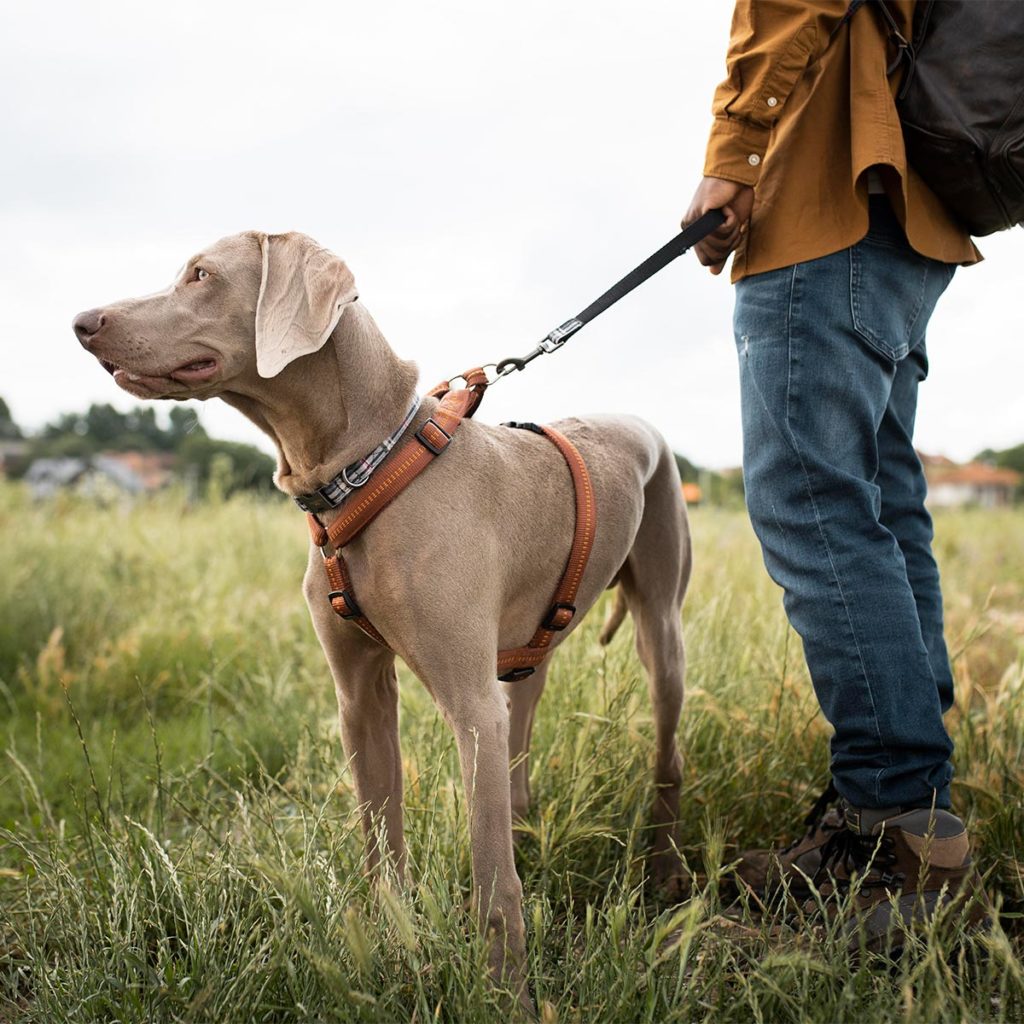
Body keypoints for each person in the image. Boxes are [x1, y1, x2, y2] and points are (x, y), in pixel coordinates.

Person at [682, 0, 985, 941]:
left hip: (827, 206)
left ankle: (899, 823)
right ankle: (905, 805)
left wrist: (731, 155)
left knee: (814, 511)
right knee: (883, 512)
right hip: (906, 216)